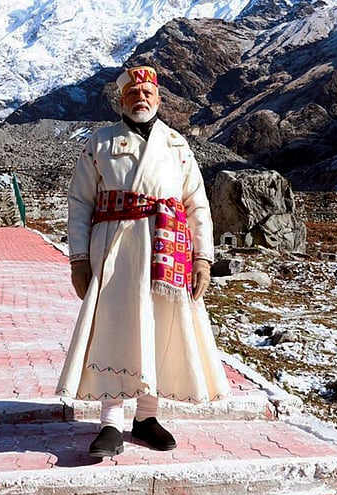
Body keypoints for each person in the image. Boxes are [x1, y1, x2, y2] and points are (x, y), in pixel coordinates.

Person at [56, 65, 231, 458]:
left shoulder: (177, 145)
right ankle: (111, 422)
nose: (141, 99)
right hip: (115, 252)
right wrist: (79, 259)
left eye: (148, 94)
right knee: (116, 329)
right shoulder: (99, 143)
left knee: (159, 327)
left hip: (168, 251)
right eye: (133, 94)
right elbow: (80, 203)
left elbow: (196, 204)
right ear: (122, 100)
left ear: (159, 98)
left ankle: (147, 417)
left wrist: (203, 257)